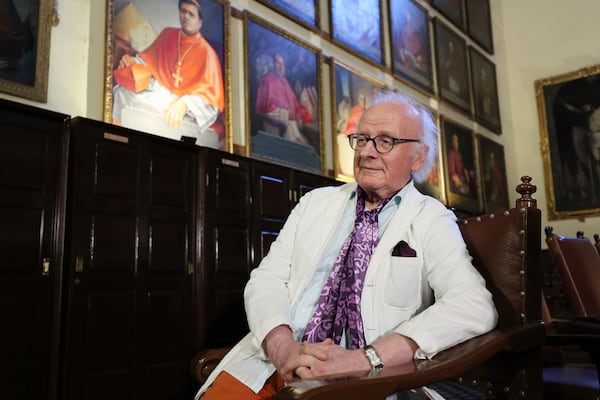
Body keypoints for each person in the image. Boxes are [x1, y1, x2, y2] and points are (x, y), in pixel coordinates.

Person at [196, 91, 497, 400]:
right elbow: (266, 280)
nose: (367, 151)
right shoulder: (315, 203)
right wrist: (282, 347)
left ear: (418, 156)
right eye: (362, 139)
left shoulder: (431, 218)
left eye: (385, 141)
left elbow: (472, 304)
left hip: (366, 380)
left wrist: (364, 358)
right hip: (274, 366)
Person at [112, 0, 224, 145]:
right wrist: (132, 62)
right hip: (160, 94)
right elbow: (149, 61)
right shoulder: (168, 35)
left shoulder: (208, 54)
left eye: (191, 14)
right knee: (122, 93)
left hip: (187, 105)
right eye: (183, 11)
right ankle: (120, 142)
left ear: (200, 22)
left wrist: (184, 103)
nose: (186, 17)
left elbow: (210, 101)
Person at [254, 53, 313, 145]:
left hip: (292, 127)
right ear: (273, 64)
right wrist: (286, 113)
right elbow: (265, 110)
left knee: (308, 147)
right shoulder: (266, 81)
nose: (281, 67)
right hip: (278, 128)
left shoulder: (284, 81)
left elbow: (295, 104)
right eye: (278, 63)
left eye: (283, 64)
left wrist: (305, 114)